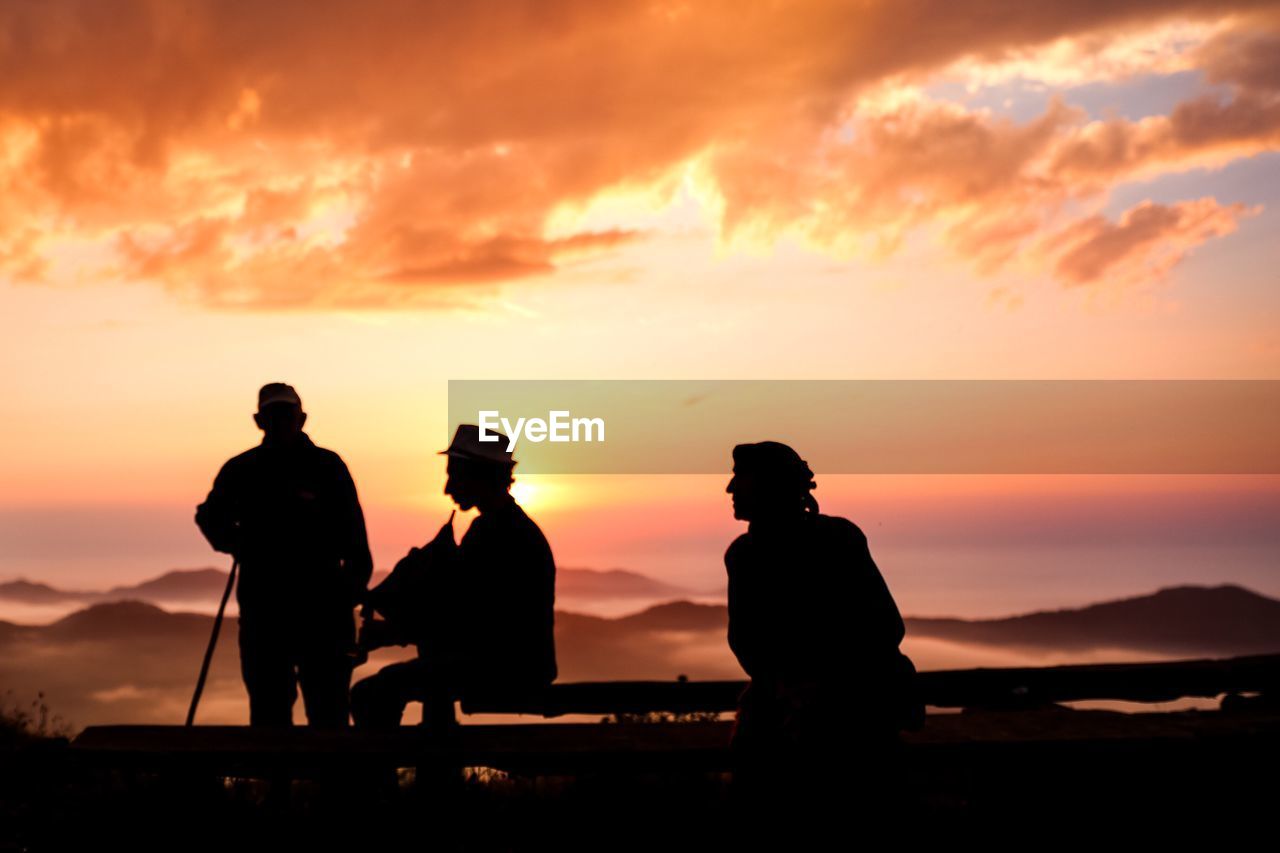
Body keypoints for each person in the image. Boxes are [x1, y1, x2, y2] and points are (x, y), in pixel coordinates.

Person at [722, 440, 919, 836]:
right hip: (833, 712)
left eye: (739, 478)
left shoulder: (759, 552)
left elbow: (883, 627)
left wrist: (813, 687)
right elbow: (749, 645)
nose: (730, 490)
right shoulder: (751, 552)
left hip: (845, 717)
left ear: (767, 486)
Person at [350, 424, 557, 730]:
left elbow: (463, 618)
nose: (447, 488)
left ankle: (398, 773)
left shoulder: (496, 535)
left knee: (371, 694)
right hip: (516, 662)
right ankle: (437, 761)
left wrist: (393, 632)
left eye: (453, 474)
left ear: (478, 474)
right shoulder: (504, 528)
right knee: (424, 674)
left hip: (507, 667)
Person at [194, 382, 372, 727]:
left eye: (285, 415)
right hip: (269, 611)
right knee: (271, 711)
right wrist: (237, 542)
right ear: (259, 420)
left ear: (301, 418)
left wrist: (346, 598)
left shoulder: (325, 467)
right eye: (273, 416)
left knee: (328, 712)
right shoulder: (243, 469)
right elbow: (209, 516)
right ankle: (281, 781)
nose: (280, 423)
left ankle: (318, 781)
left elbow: (355, 542)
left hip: (318, 611)